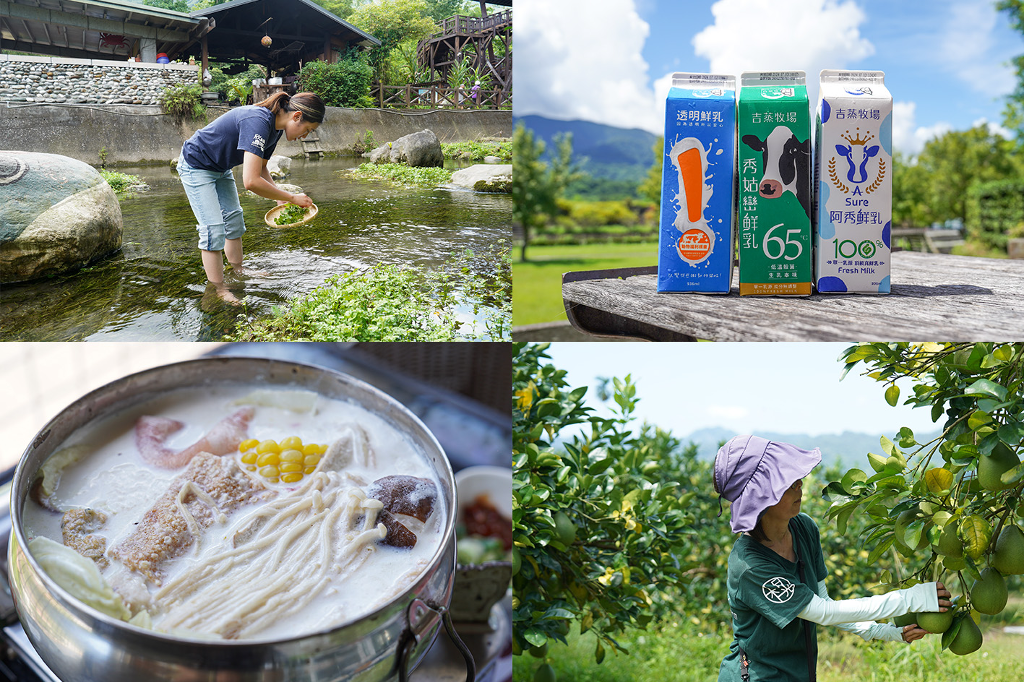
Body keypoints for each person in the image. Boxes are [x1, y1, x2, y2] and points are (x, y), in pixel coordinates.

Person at [713, 435, 952, 682]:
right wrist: (911, 599)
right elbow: (823, 612)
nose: (798, 485)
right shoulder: (749, 566)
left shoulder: (803, 528)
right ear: (760, 498)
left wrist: (884, 631)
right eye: (784, 481)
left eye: (795, 477)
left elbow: (824, 601)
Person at [176, 91, 323, 303]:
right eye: (307, 129)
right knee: (213, 229)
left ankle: (238, 270)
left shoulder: (276, 129)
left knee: (234, 219)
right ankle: (217, 289)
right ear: (297, 116)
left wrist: (278, 197)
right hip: (196, 164)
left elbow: (262, 168)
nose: (305, 135)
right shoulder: (258, 121)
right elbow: (251, 181)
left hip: (220, 167)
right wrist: (291, 197)